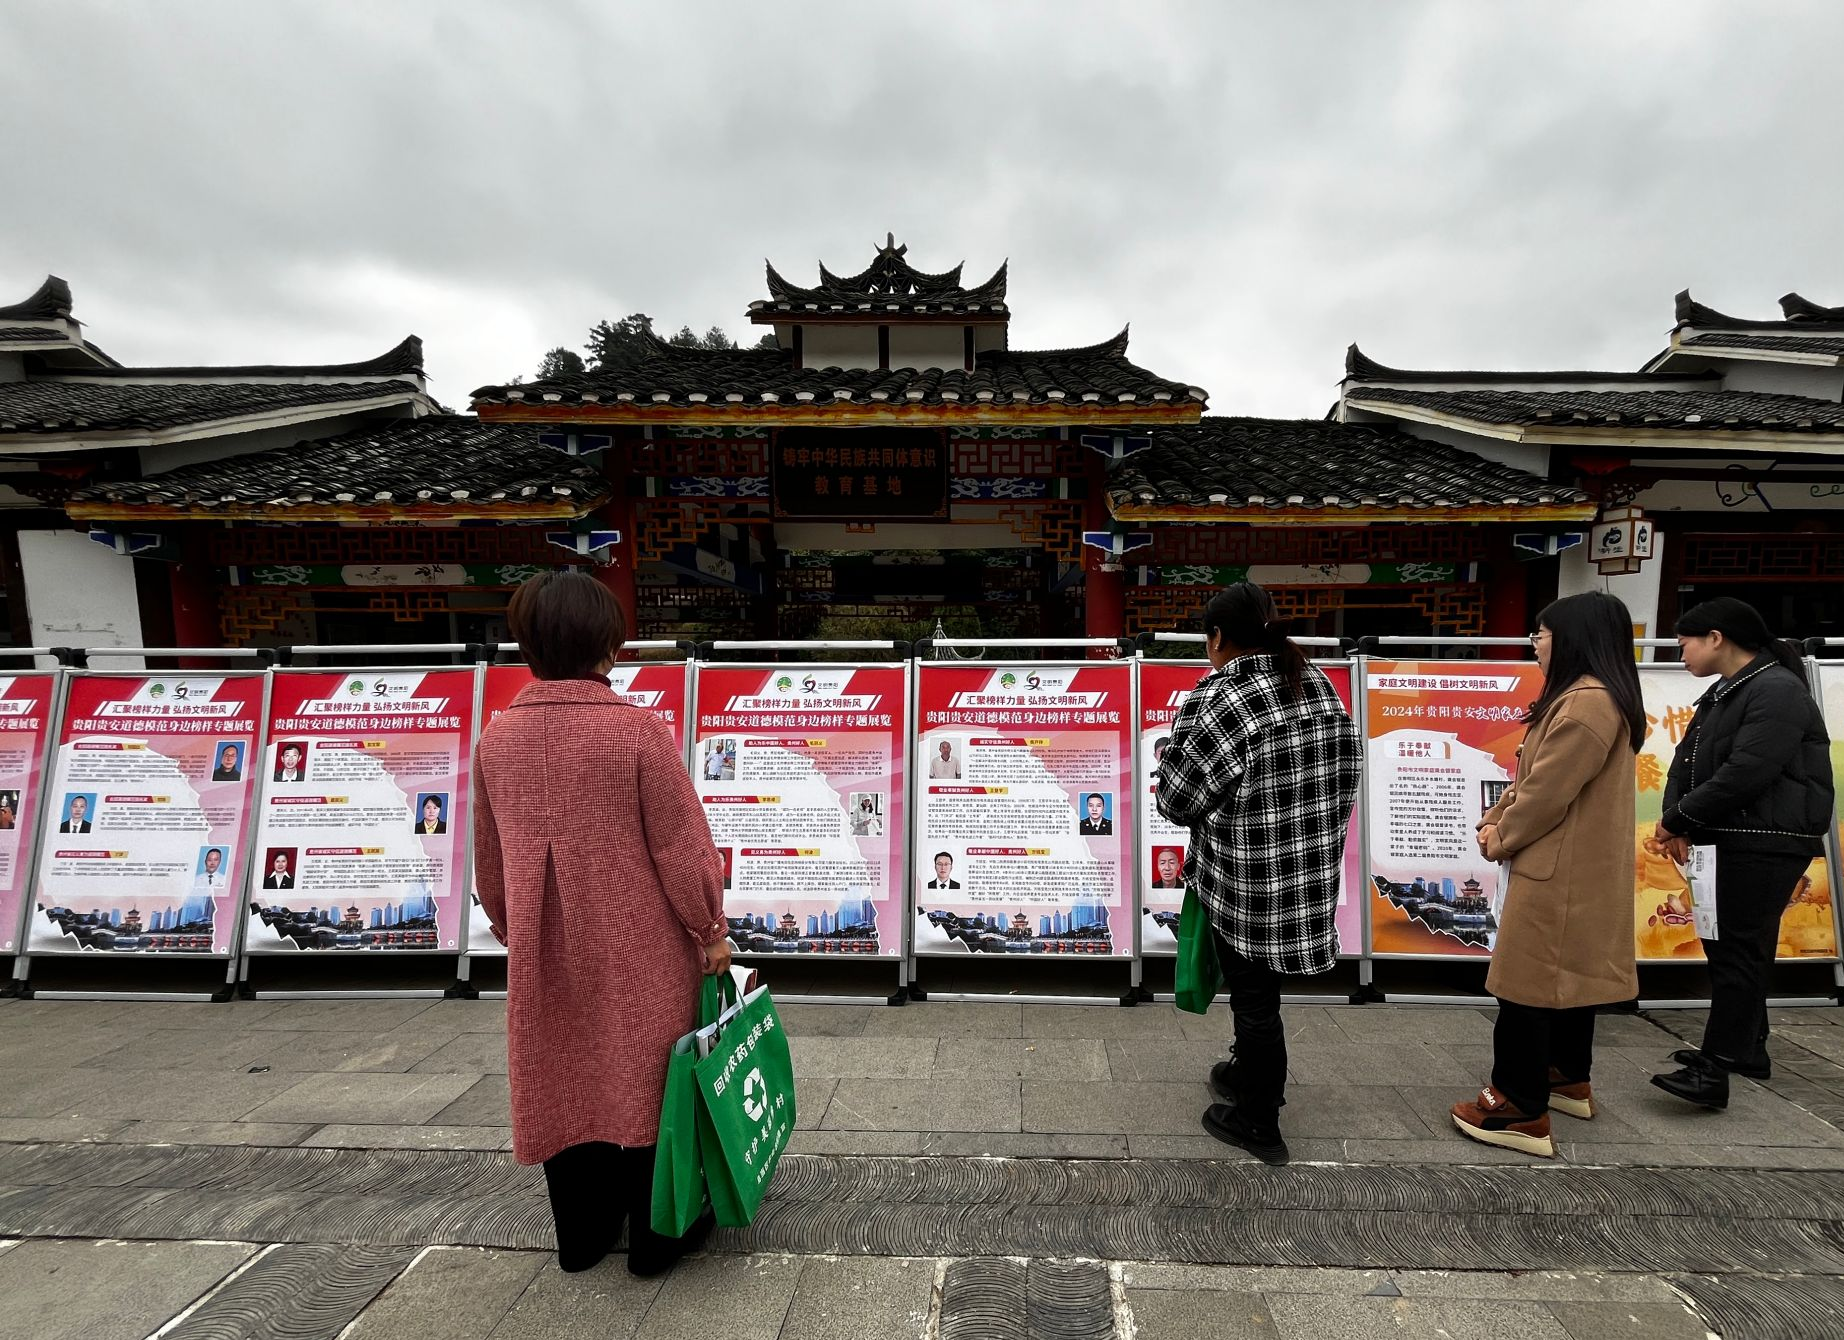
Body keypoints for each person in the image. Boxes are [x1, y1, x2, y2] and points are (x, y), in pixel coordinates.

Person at [474, 569, 728, 1277]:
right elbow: (681, 848)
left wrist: (511, 926)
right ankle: (657, 1240)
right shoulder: (638, 732)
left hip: (542, 941)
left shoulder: (496, 739)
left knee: (561, 1070)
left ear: (527, 644)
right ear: (607, 645)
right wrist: (710, 930)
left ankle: (582, 1238)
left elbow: (488, 858)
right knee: (647, 1073)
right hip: (637, 938)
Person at [1157, 582, 1360, 1165]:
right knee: (1262, 986)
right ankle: (1247, 1074)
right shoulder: (1313, 680)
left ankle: (1258, 1119)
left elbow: (1177, 797)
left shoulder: (1221, 696)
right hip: (1307, 867)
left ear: (1217, 637)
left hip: (1247, 873)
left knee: (1253, 997)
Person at [1449, 592, 1644, 1158]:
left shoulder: (1584, 703)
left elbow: (1544, 795)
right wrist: (1497, 815)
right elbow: (1532, 783)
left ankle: (1517, 1106)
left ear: (1575, 638)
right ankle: (1564, 1078)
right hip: (1578, 867)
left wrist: (1498, 835)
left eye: (1543, 632)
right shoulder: (1601, 698)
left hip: (1555, 868)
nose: (1535, 642)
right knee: (1570, 980)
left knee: (1526, 987)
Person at [1649, 598, 1834, 1109]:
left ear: (1716, 637)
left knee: (1738, 951)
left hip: (1764, 841)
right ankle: (1748, 1049)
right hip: (1727, 835)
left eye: (1684, 640)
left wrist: (1677, 820)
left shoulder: (1776, 690)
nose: (1679, 650)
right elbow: (1684, 764)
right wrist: (1677, 820)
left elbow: (1747, 770)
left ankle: (1716, 1067)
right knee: (1732, 949)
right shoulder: (1726, 692)